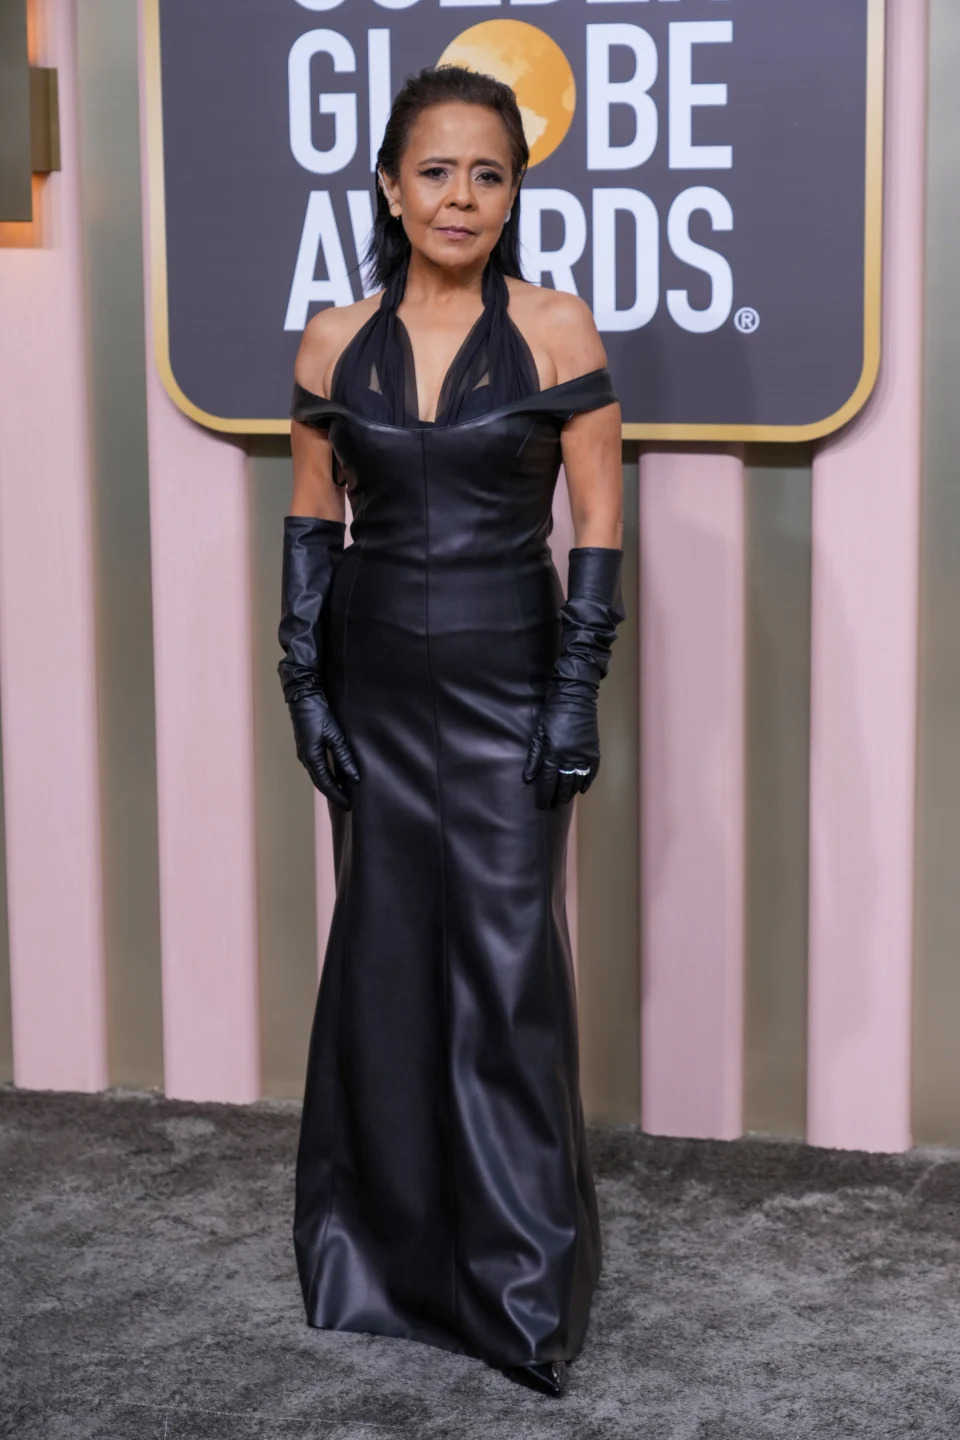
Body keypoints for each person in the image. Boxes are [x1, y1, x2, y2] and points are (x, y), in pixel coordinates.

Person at [278, 63, 625, 1399]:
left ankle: (520, 1288)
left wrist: (576, 687)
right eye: (436, 170)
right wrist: (301, 684)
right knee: (381, 960)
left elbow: (596, 517)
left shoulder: (553, 328)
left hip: (506, 676)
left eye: (488, 172)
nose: (462, 196)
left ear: (515, 189)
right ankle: (378, 1264)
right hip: (372, 679)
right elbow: (314, 521)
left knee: (505, 972)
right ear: (387, 186)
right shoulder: (329, 340)